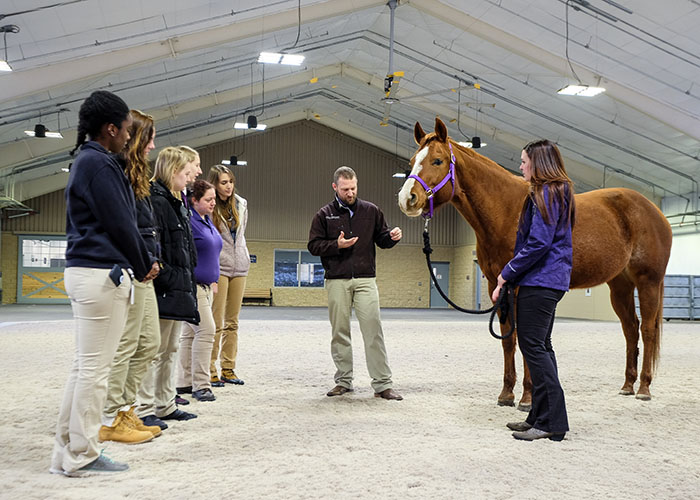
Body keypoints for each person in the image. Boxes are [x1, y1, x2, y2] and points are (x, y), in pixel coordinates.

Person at [50, 91, 159, 477]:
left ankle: (66, 448)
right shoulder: (101, 165)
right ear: (110, 129)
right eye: (127, 131)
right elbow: (121, 224)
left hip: (85, 271)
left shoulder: (86, 162)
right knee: (95, 371)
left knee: (84, 368)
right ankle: (83, 453)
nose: (130, 137)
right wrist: (144, 263)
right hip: (101, 274)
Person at [491, 140, 576, 442]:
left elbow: (538, 243)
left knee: (534, 349)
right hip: (548, 280)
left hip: (540, 282)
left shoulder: (546, 193)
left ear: (538, 163)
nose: (521, 166)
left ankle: (553, 421)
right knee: (542, 347)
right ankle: (539, 416)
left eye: (525, 161)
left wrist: (506, 274)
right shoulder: (556, 192)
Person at [308, 166, 403, 401]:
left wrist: (391, 238)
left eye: (353, 188)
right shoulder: (323, 214)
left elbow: (381, 239)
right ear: (335, 187)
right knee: (340, 331)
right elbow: (313, 246)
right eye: (345, 189)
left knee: (373, 330)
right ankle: (343, 381)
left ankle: (382, 384)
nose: (350, 193)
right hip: (337, 280)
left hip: (365, 279)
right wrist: (336, 246)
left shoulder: (371, 211)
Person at [100, 110, 163, 445]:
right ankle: (113, 414)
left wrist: (153, 259)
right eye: (149, 137)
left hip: (146, 269)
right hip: (130, 269)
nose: (152, 144)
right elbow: (124, 226)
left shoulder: (138, 175)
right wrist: (141, 259)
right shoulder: (119, 172)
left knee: (150, 342)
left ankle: (126, 408)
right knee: (126, 343)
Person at [135, 146, 199, 429]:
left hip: (178, 285)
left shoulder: (176, 201)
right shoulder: (155, 200)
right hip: (164, 285)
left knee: (170, 348)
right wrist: (166, 275)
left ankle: (165, 404)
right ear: (173, 171)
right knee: (154, 350)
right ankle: (144, 406)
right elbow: (153, 244)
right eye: (186, 173)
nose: (189, 178)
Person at [176, 180, 223, 402]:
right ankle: (201, 385)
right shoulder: (189, 222)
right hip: (193, 286)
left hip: (207, 286)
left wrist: (213, 279)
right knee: (206, 330)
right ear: (194, 200)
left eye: (214, 198)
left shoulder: (207, 221)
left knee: (189, 334)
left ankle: (184, 382)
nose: (214, 202)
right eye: (208, 199)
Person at [208, 164, 250, 386]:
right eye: (223, 183)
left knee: (233, 322)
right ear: (215, 184)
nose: (229, 186)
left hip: (240, 267)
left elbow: (240, 237)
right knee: (217, 322)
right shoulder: (210, 205)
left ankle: (228, 368)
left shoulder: (241, 204)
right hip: (220, 268)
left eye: (231, 182)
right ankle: (210, 368)